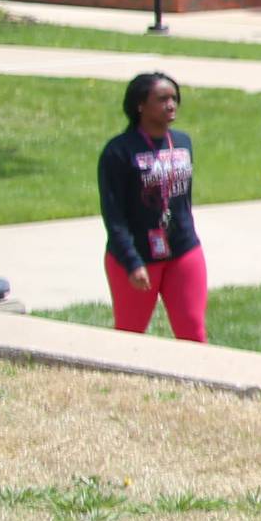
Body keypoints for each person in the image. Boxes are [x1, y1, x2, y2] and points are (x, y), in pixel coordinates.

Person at [98, 72, 206, 342]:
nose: (171, 105)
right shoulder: (119, 152)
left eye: (174, 98)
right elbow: (114, 215)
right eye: (162, 99)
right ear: (140, 106)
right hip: (136, 257)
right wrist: (132, 262)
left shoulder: (182, 142)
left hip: (183, 250)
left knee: (193, 331)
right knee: (130, 336)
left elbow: (184, 200)